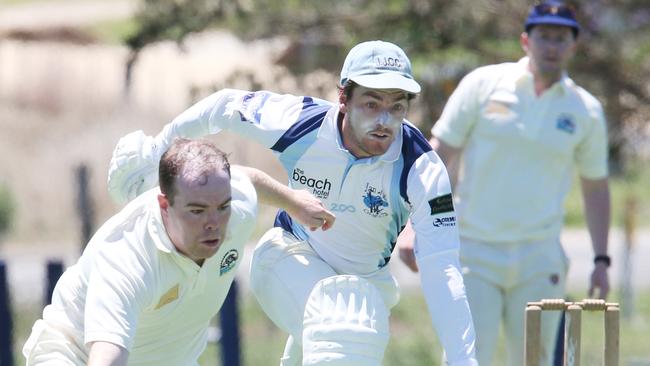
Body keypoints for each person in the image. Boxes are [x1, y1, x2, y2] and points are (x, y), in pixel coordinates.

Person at [106, 40, 478, 365]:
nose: (384, 121)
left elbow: (442, 269)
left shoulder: (421, 167)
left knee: (346, 323)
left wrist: (463, 361)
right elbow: (220, 106)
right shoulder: (300, 123)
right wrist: (158, 154)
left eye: (397, 107)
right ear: (343, 98)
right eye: (371, 103)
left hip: (367, 287)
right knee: (342, 324)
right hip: (289, 255)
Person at [398, 2, 611, 365]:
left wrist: (601, 260)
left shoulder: (584, 110)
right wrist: (410, 226)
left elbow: (595, 187)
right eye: (545, 37)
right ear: (526, 40)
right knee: (465, 357)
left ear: (573, 46)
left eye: (562, 38)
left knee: (537, 360)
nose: (553, 47)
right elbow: (439, 156)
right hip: (473, 251)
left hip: (539, 256)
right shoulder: (483, 85)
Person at [22, 138, 334, 366]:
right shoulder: (126, 256)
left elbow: (246, 179)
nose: (213, 223)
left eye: (221, 207)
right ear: (164, 204)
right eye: (197, 211)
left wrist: (294, 201)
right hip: (74, 353)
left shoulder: (235, 209)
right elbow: (106, 356)